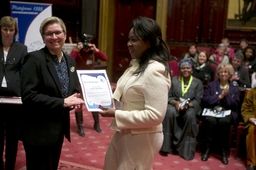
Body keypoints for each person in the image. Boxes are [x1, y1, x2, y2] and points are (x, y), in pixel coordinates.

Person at [98, 16, 171, 170]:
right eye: (129, 39)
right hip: (126, 131)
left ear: (149, 42)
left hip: (142, 136)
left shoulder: (155, 70)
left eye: (134, 40)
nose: (129, 44)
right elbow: (129, 92)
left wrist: (116, 114)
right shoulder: (137, 65)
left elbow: (155, 115)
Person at [19, 16, 84, 170]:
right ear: (43, 38)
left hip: (58, 128)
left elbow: (71, 89)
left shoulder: (70, 61)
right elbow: (29, 96)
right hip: (38, 131)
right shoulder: (34, 59)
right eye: (49, 34)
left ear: (65, 34)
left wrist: (75, 100)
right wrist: (63, 102)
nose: (54, 37)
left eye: (57, 32)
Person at [160, 57, 204, 160]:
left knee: (190, 115)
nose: (186, 70)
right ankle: (166, 147)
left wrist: (187, 105)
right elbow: (168, 96)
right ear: (179, 69)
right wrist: (176, 103)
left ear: (192, 69)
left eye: (188, 68)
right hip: (175, 105)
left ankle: (186, 150)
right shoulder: (174, 80)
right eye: (183, 68)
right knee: (169, 112)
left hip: (190, 106)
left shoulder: (198, 82)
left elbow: (198, 100)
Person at [0, 16, 27, 170]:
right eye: (5, 29)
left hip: (14, 99)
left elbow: (26, 73)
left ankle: (10, 166)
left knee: (12, 137)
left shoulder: (21, 49)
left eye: (11, 30)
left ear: (15, 31)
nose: (8, 33)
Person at [200, 63, 240, 165]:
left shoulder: (234, 87)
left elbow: (235, 104)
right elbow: (205, 100)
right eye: (221, 71)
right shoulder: (211, 85)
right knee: (209, 120)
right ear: (218, 73)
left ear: (230, 74)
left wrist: (226, 97)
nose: (223, 74)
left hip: (227, 112)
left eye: (226, 72)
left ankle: (223, 151)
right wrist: (219, 97)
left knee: (224, 122)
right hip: (212, 111)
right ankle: (207, 149)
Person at [70, 40, 108, 136]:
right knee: (79, 103)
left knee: (94, 101)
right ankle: (80, 127)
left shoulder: (92, 51)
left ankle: (96, 124)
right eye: (84, 45)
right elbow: (70, 61)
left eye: (88, 45)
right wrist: (77, 50)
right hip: (79, 80)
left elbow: (105, 58)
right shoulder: (77, 51)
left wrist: (96, 50)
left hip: (91, 80)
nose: (86, 47)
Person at [241, 86, 256, 170]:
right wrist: (250, 118)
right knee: (252, 129)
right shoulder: (252, 92)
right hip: (254, 121)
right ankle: (251, 163)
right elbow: (245, 108)